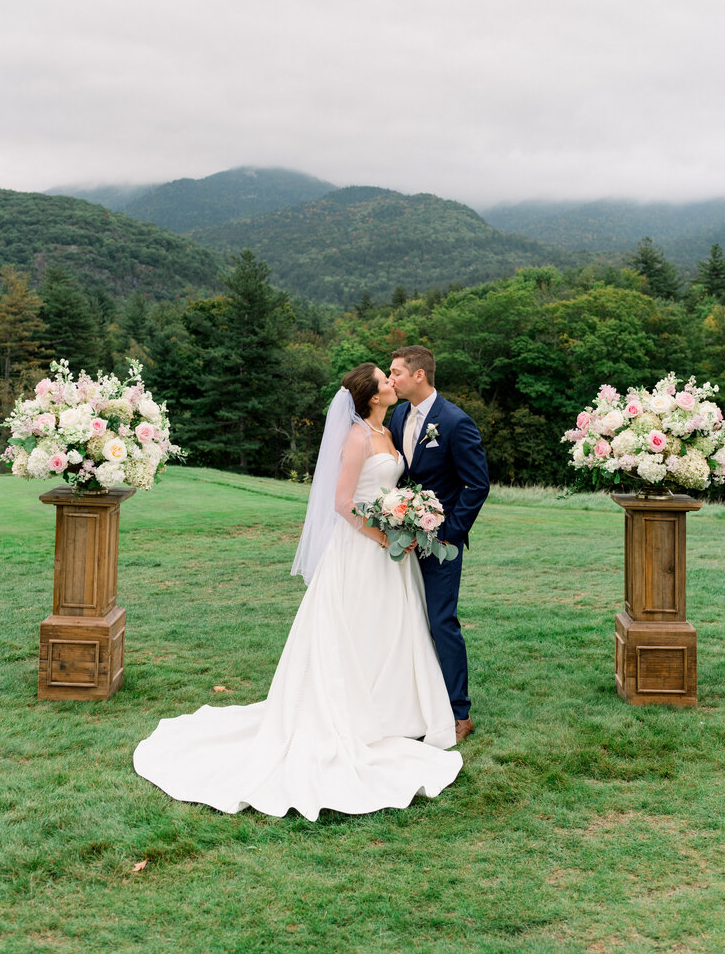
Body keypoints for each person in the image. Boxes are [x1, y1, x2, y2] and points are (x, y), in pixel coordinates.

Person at [133, 364, 462, 821]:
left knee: (390, 627)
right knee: (356, 626)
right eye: (384, 380)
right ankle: (356, 713)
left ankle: (394, 710)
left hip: (391, 551)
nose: (392, 382)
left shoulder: (386, 432)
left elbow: (387, 488)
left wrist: (403, 517)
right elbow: (342, 502)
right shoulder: (356, 438)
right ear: (372, 396)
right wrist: (381, 534)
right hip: (362, 549)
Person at [388, 346, 489, 743]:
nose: (391, 378)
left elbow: (476, 485)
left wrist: (448, 533)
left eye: (396, 372)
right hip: (401, 539)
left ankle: (459, 713)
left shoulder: (454, 421)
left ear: (418, 376)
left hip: (440, 542)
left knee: (440, 622)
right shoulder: (398, 415)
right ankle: (413, 703)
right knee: (405, 620)